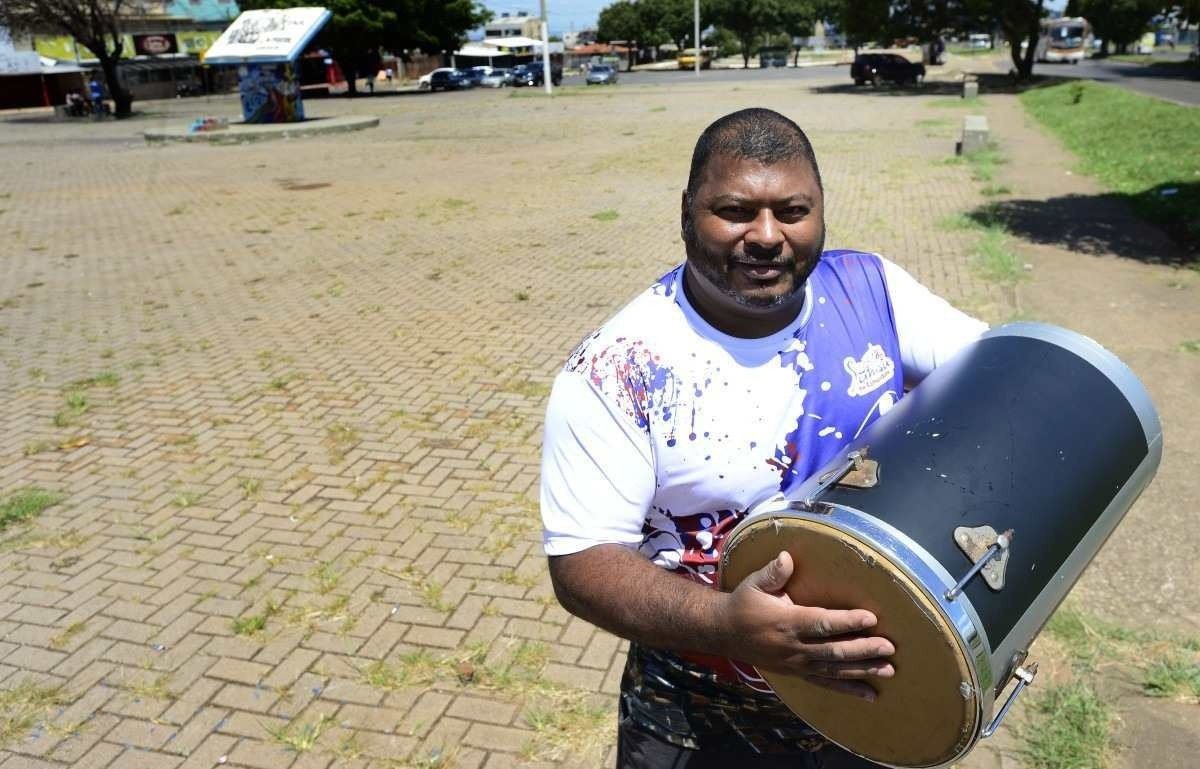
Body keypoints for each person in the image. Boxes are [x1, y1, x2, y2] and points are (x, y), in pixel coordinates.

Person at [539, 108, 988, 769]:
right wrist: (726, 624)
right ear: (688, 213)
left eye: (793, 210)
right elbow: (581, 563)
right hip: (700, 713)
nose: (768, 236)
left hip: (871, 695)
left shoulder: (875, 292)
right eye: (735, 210)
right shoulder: (618, 368)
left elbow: (1001, 382)